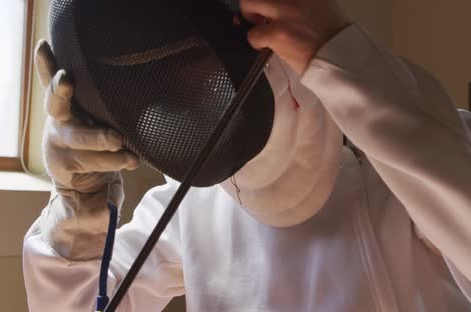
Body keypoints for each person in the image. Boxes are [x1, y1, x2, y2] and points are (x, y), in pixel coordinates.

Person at [23, 0, 471, 311]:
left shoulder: (427, 156)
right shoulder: (190, 208)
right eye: (168, 74)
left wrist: (341, 55)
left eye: (196, 58)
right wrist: (77, 208)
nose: (194, 88)